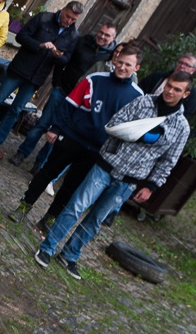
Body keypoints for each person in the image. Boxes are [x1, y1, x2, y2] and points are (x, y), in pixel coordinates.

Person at [34, 73, 192, 280]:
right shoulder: (143, 102)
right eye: (169, 86)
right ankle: (48, 247)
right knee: (76, 206)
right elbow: (115, 123)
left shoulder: (181, 127)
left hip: (130, 179)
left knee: (96, 219)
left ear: (185, 94)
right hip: (106, 165)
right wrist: (139, 134)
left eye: (177, 89)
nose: (170, 91)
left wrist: (151, 186)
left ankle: (69, 254)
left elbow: (168, 161)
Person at [7, 44, 144, 232]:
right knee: (47, 172)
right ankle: (24, 206)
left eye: (128, 64)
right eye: (120, 62)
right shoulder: (94, 79)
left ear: (137, 67)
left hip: (98, 151)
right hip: (73, 137)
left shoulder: (138, 97)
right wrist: (56, 128)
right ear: (115, 60)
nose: (122, 67)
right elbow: (69, 105)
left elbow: (131, 130)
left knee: (71, 185)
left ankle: (50, 218)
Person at [0, 1, 82, 159]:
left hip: (36, 78)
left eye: (73, 20)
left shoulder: (73, 36)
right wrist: (39, 45)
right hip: (19, 68)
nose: (69, 21)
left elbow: (66, 60)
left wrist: (59, 56)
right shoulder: (44, 18)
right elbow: (21, 36)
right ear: (63, 9)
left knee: (16, 110)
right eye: (67, 16)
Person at [9, 23, 118, 169]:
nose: (102, 36)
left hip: (79, 102)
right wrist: (57, 82)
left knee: (59, 133)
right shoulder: (82, 42)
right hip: (62, 91)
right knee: (42, 124)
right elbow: (63, 60)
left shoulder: (110, 57)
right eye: (101, 32)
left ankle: (40, 164)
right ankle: (22, 153)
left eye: (107, 35)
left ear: (113, 38)